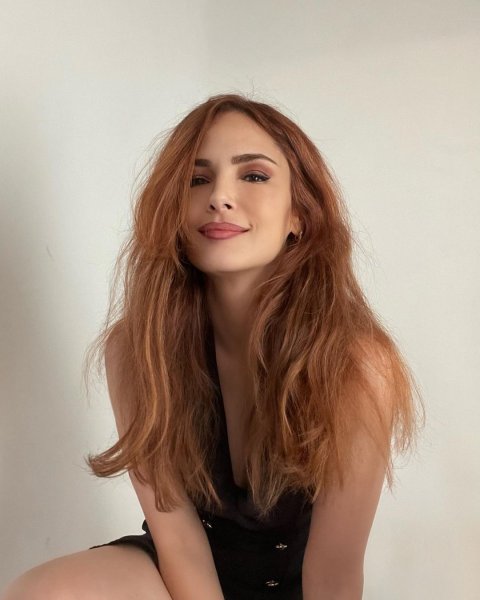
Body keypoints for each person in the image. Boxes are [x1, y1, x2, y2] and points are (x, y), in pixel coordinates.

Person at [2, 93, 423, 600]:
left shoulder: (356, 364)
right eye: (196, 179)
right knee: (42, 592)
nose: (220, 196)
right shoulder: (136, 349)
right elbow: (178, 542)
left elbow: (333, 571)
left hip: (298, 588)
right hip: (180, 578)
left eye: (254, 176)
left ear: (300, 214)